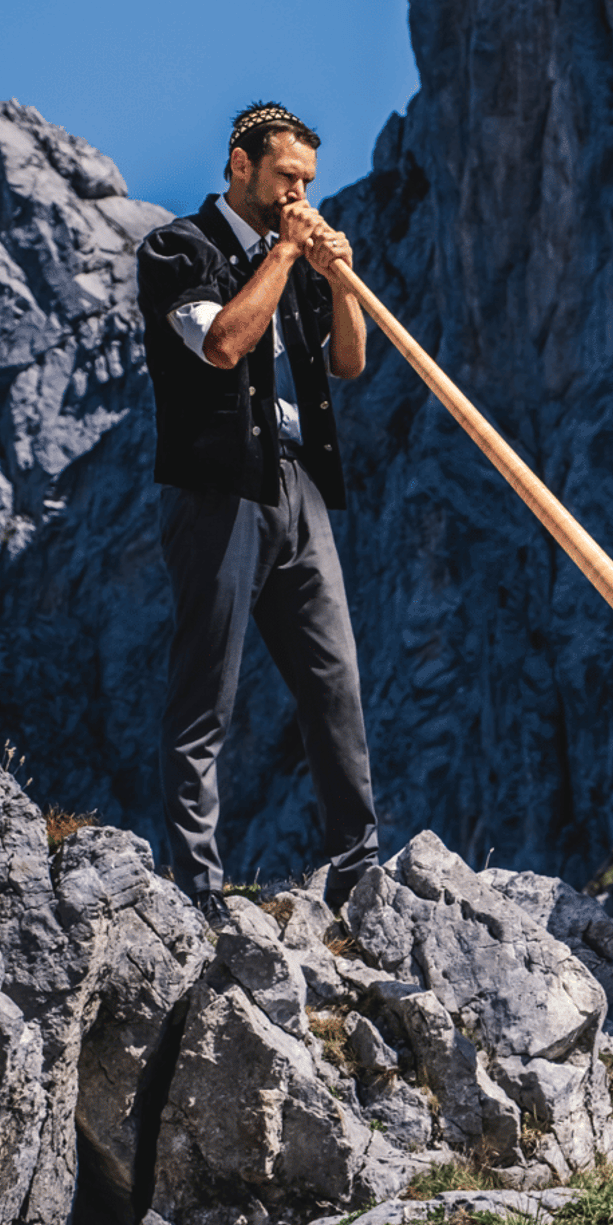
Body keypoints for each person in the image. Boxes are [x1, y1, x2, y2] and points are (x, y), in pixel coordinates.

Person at [135, 102, 379, 922]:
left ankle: (358, 869)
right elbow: (223, 345)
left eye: (308, 180)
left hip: (296, 484)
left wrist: (339, 280)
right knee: (207, 690)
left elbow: (348, 364)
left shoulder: (295, 260)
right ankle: (198, 887)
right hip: (217, 489)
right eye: (286, 177)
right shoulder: (179, 248)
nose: (299, 194)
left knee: (333, 678)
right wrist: (282, 253)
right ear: (240, 166)